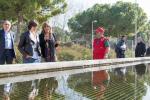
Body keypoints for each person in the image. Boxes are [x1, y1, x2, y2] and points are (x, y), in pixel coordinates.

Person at [92, 27, 110, 98]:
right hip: (95, 60)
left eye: (98, 32)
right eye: (96, 32)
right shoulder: (95, 40)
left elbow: (108, 48)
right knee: (96, 75)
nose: (96, 33)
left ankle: (101, 95)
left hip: (102, 61)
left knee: (101, 75)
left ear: (101, 33)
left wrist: (106, 55)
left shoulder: (105, 40)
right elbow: (94, 48)